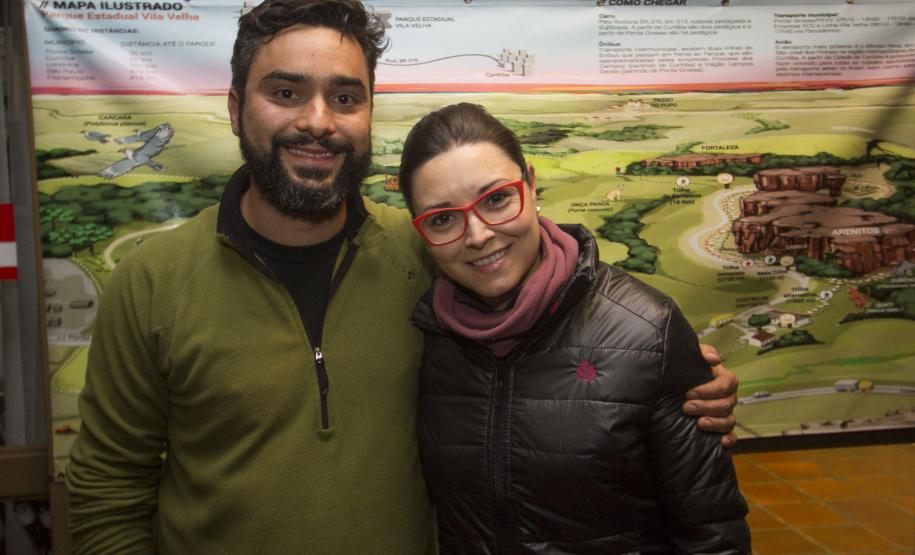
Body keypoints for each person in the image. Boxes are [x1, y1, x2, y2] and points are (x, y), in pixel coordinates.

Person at [65, 1, 740, 553]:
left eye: (345, 96)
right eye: (286, 92)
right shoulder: (151, 281)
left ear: (368, 114)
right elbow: (108, 492)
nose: (317, 121)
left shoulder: (424, 252)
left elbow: (554, 315)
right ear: (237, 106)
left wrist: (675, 380)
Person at [398, 102, 750, 553]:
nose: (478, 234)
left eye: (497, 199)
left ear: (531, 184)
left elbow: (713, 532)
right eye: (443, 219)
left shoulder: (647, 330)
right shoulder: (424, 337)